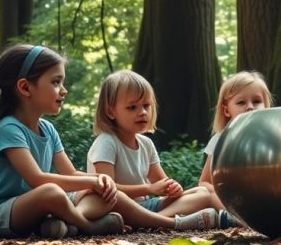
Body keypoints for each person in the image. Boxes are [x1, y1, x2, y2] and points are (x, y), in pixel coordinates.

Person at [0, 44, 124, 239]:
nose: (64, 90)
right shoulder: (8, 128)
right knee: (51, 192)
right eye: (56, 82)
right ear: (25, 87)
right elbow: (38, 179)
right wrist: (91, 182)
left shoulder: (48, 129)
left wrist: (99, 181)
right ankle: (87, 226)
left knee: (103, 195)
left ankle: (61, 223)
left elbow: (72, 173)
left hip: (38, 206)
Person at [87, 70, 228, 230]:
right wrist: (148, 188)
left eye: (146, 106)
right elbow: (107, 188)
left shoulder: (146, 143)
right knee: (116, 197)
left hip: (146, 206)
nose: (142, 112)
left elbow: (162, 182)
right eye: (132, 107)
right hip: (116, 207)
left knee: (203, 193)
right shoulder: (106, 142)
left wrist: (173, 188)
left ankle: (150, 221)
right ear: (111, 111)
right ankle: (158, 221)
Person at [196, 71, 272, 207]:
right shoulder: (220, 140)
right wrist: (220, 194)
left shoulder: (272, 139)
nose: (250, 107)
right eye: (241, 102)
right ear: (226, 110)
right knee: (200, 194)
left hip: (264, 199)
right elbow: (204, 182)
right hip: (230, 202)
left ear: (266, 106)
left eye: (257, 101)